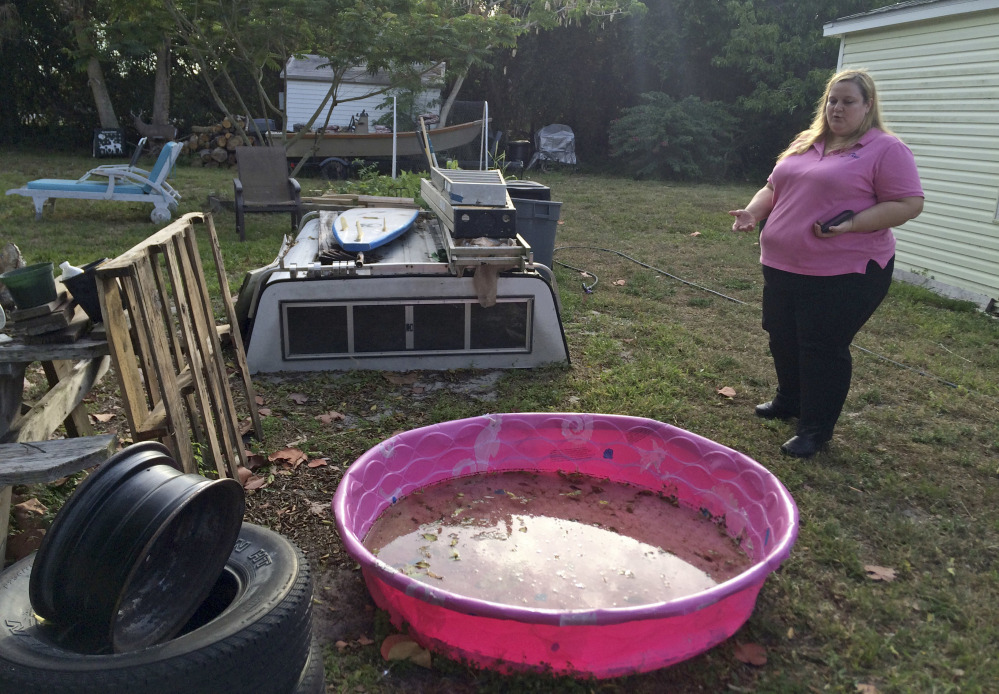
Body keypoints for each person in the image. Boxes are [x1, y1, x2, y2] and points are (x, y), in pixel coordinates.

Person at [728, 68, 924, 458]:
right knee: (782, 335)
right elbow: (773, 187)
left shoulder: (885, 149)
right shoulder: (807, 140)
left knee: (821, 346)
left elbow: (908, 204)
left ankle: (815, 429)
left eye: (848, 101)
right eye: (832, 100)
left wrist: (853, 224)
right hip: (782, 264)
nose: (837, 108)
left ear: (868, 105)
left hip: (846, 272)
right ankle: (789, 400)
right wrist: (752, 212)